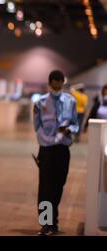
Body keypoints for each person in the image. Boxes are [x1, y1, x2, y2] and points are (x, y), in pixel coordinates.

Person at [33, 70, 79, 236]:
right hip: (46, 150)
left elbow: (75, 124)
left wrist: (68, 130)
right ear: (50, 82)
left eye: (60, 80)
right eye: (55, 80)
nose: (58, 83)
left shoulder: (70, 101)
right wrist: (47, 141)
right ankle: (46, 224)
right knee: (45, 187)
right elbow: (37, 126)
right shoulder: (40, 102)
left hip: (63, 149)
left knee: (59, 185)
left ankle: (54, 220)